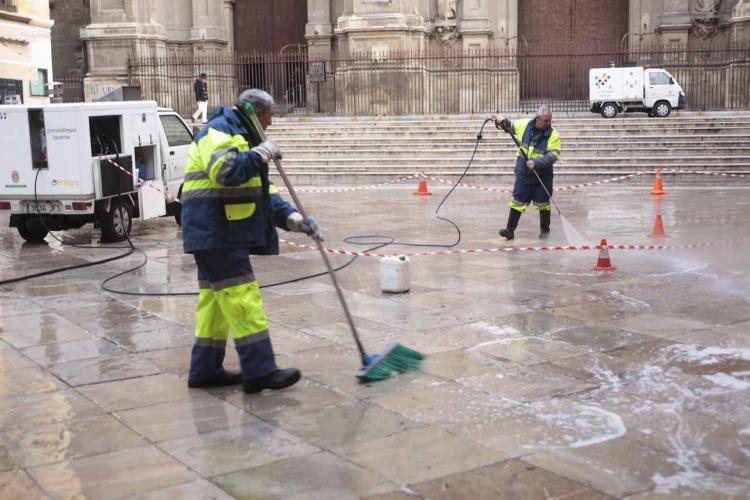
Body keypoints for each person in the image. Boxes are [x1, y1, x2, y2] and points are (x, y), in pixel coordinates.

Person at [181, 88, 320, 393]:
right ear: (254, 112)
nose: (270, 124)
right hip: (216, 232)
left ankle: (204, 370)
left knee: (214, 306)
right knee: (244, 298)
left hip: (215, 233)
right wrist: (260, 153)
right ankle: (260, 371)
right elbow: (226, 172)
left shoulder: (242, 137)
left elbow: (263, 194)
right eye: (268, 117)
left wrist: (295, 220)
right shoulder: (218, 131)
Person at [493, 106, 561, 240]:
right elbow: (510, 126)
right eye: (546, 120)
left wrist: (537, 163)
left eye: (549, 120)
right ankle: (509, 231)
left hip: (542, 176)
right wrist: (500, 120)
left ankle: (544, 231)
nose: (548, 123)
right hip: (524, 174)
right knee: (517, 201)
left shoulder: (553, 135)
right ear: (538, 119)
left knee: (543, 204)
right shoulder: (524, 125)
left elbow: (553, 155)